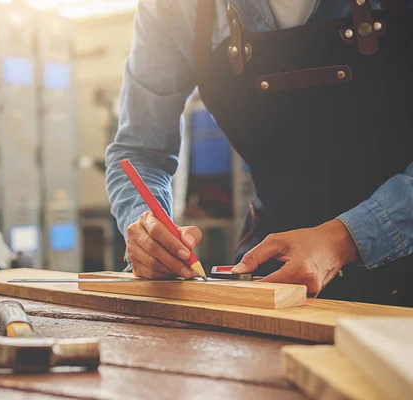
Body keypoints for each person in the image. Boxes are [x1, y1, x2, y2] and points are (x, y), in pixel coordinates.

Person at [105, 0, 413, 306]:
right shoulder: (172, 8)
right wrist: (149, 231)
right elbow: (140, 151)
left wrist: (344, 238)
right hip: (267, 275)